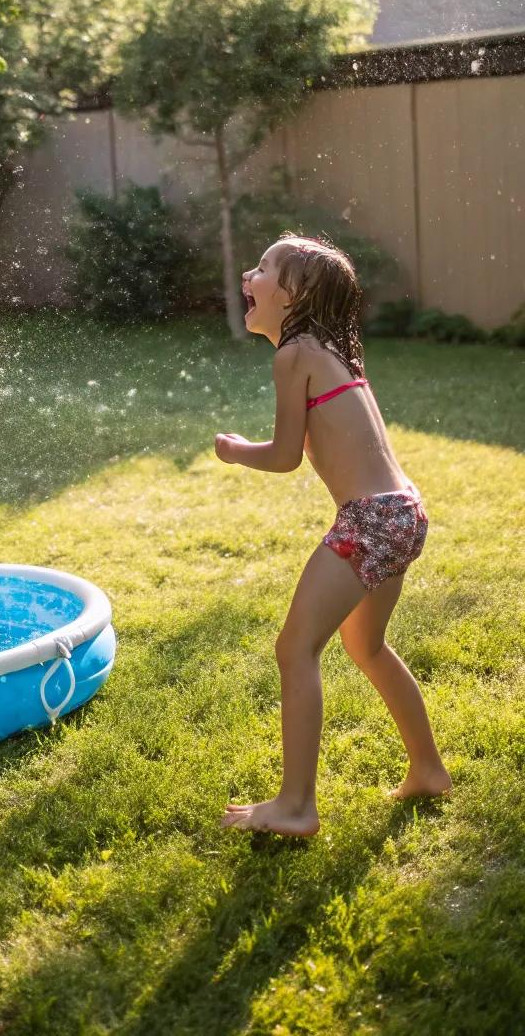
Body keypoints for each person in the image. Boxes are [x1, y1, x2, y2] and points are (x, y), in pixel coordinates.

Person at [215, 233, 450, 836]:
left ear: (295, 295)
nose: (249, 274)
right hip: (403, 511)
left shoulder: (294, 357)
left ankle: (295, 806)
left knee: (295, 650)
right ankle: (427, 770)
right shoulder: (329, 352)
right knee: (365, 647)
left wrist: (239, 452)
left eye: (264, 269)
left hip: (370, 519)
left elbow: (286, 455)